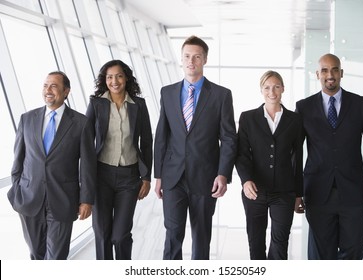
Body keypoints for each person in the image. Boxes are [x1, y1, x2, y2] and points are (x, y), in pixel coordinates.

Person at [154, 35, 237, 260]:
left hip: (205, 177)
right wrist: (159, 175)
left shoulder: (221, 95)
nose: (191, 61)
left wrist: (223, 174)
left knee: (201, 236)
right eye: (187, 57)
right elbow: (162, 136)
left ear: (205, 60)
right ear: (181, 59)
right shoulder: (167, 92)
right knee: (173, 234)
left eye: (197, 57)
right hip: (173, 177)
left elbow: (229, 138)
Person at [295, 53, 363, 259]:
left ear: (341, 73)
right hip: (317, 192)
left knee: (354, 247)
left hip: (353, 192)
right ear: (317, 74)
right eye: (325, 70)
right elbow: (296, 152)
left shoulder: (360, 105)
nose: (330, 75)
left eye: (335, 69)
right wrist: (296, 191)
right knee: (320, 254)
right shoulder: (304, 107)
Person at [7, 71, 96, 260]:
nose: (48, 90)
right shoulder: (27, 119)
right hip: (29, 199)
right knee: (36, 254)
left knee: (56, 257)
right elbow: (18, 160)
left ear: (66, 91)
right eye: (45, 85)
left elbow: (88, 165)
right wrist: (17, 190)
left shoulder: (81, 123)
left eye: (54, 86)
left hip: (63, 199)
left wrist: (86, 199)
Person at [86, 59, 153, 260]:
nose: (114, 81)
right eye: (109, 77)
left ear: (126, 78)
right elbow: (87, 142)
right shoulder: (96, 104)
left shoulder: (138, 105)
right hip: (101, 176)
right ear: (104, 80)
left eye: (119, 76)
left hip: (129, 178)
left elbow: (147, 142)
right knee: (102, 234)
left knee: (120, 235)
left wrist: (147, 177)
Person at [235, 71, 304, 260]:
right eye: (267, 87)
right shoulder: (248, 118)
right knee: (256, 243)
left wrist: (299, 194)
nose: (271, 91)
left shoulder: (295, 120)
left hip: (284, 192)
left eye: (276, 86)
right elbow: (241, 154)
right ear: (261, 90)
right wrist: (245, 180)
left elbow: (298, 158)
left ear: (283, 89)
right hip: (254, 190)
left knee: (280, 243)